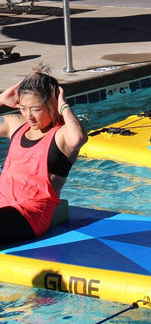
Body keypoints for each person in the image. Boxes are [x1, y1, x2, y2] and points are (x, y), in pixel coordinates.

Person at [0, 65, 88, 243]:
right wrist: (1, 99)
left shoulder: (61, 135)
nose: (28, 116)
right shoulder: (15, 126)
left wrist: (63, 105)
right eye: (23, 108)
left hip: (30, 213)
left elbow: (78, 138)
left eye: (35, 109)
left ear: (52, 105)